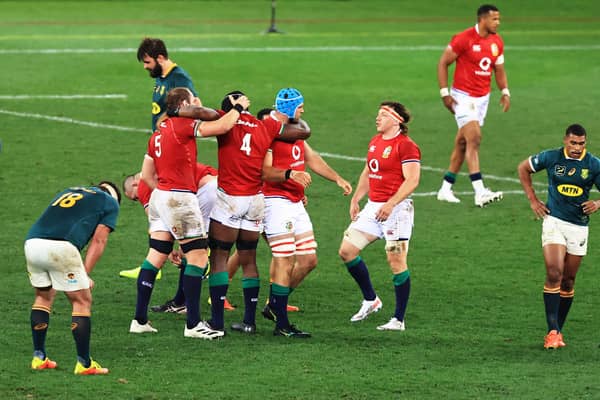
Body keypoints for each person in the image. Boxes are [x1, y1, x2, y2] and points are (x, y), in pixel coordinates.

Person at [175, 90, 312, 338]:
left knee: (219, 258)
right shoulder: (266, 125)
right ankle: (249, 321)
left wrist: (174, 109)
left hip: (230, 199)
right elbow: (303, 130)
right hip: (256, 200)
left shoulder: (225, 120)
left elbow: (197, 113)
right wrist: (286, 110)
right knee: (248, 259)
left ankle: (217, 322)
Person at [128, 88, 249, 339]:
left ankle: (139, 320)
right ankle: (193, 324)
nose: (198, 103)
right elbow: (222, 127)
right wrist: (238, 108)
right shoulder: (182, 123)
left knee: (155, 257)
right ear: (184, 104)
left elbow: (148, 176)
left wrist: (165, 194)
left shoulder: (157, 133)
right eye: (194, 100)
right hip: (179, 198)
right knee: (197, 258)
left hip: (160, 196)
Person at [261, 88, 353, 337]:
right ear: (289, 108)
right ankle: (281, 323)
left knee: (309, 260)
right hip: (275, 201)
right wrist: (291, 174)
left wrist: (338, 179)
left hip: (294, 202)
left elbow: (312, 158)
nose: (303, 110)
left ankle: (273, 306)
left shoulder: (295, 133)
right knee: (284, 260)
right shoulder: (270, 132)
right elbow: (264, 171)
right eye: (300, 106)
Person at [338, 102, 420, 331]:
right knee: (347, 250)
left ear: (397, 120)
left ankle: (398, 320)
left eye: (383, 115)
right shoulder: (375, 142)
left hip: (397, 211)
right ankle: (371, 300)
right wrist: (356, 198)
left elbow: (412, 180)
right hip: (374, 208)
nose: (377, 118)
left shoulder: (406, 146)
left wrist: (392, 203)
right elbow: (368, 170)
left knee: (396, 261)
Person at [517, 123, 600, 349]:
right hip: (554, 221)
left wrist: (597, 203)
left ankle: (557, 331)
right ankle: (552, 331)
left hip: (579, 226)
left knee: (568, 280)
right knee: (554, 272)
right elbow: (523, 168)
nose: (576, 147)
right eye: (573, 143)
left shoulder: (593, 164)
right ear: (565, 140)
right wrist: (533, 200)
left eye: (581, 144)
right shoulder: (551, 157)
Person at [25, 181, 120, 375]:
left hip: (32, 243)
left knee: (44, 296)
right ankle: (84, 364)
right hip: (61, 247)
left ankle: (39, 358)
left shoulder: (70, 190)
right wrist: (85, 273)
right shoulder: (109, 202)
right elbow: (99, 240)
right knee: (82, 300)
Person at [122, 163, 237, 313]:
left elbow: (158, 223)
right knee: (220, 250)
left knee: (190, 252)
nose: (138, 200)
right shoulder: (167, 164)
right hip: (223, 189)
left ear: (134, 183)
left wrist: (167, 249)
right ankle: (194, 303)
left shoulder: (144, 183)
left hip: (205, 193)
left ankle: (183, 306)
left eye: (135, 197)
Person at [436, 4, 510, 207]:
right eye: (494, 19)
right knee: (474, 137)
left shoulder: (497, 42)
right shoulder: (463, 38)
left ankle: (445, 189)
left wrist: (505, 91)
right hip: (462, 97)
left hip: (482, 99)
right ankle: (479, 191)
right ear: (482, 19)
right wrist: (445, 94)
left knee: (462, 143)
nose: (498, 22)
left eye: (498, 19)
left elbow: (499, 69)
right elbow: (443, 63)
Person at [137, 37, 201, 132]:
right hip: (162, 138)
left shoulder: (179, 78)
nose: (145, 66)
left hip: (174, 138)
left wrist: (163, 120)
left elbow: (196, 105)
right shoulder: (160, 75)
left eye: (147, 62)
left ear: (160, 58)